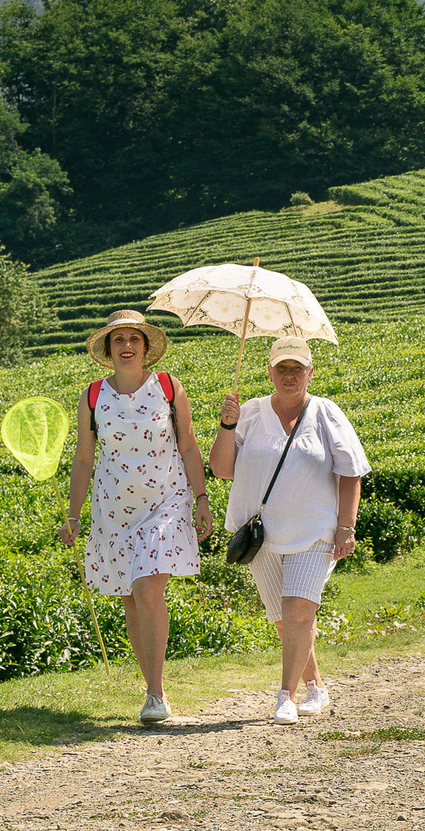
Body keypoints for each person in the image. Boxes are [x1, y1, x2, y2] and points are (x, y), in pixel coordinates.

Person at [61, 311, 213, 726]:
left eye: (133, 339)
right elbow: (84, 458)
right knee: (130, 600)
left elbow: (188, 446)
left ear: (146, 347)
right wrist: (73, 516)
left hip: (166, 501)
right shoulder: (92, 395)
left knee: (147, 589)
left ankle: (154, 692)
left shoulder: (167, 386)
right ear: (108, 351)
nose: (126, 346)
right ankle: (155, 691)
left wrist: (201, 497)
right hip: (112, 509)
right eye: (118, 341)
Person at [209, 339, 371, 724]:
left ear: (310, 373)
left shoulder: (325, 413)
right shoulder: (248, 413)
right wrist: (226, 425)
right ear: (270, 372)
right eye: (282, 368)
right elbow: (221, 469)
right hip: (262, 536)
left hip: (315, 532)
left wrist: (346, 528)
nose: (289, 375)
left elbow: (351, 472)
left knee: (298, 612)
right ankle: (316, 685)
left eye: (297, 368)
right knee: (284, 620)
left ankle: (286, 695)